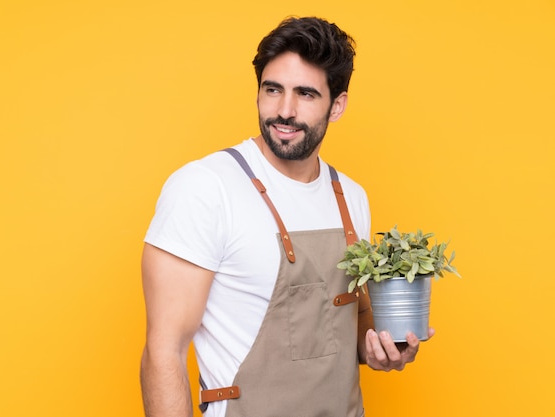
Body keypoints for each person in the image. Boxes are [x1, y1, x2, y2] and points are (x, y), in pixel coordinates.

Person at [140, 16, 433, 417]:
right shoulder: (205, 187)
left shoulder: (352, 197)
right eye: (272, 90)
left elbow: (340, 323)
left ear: (337, 105)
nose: (284, 110)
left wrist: (383, 347)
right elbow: (163, 351)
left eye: (306, 94)